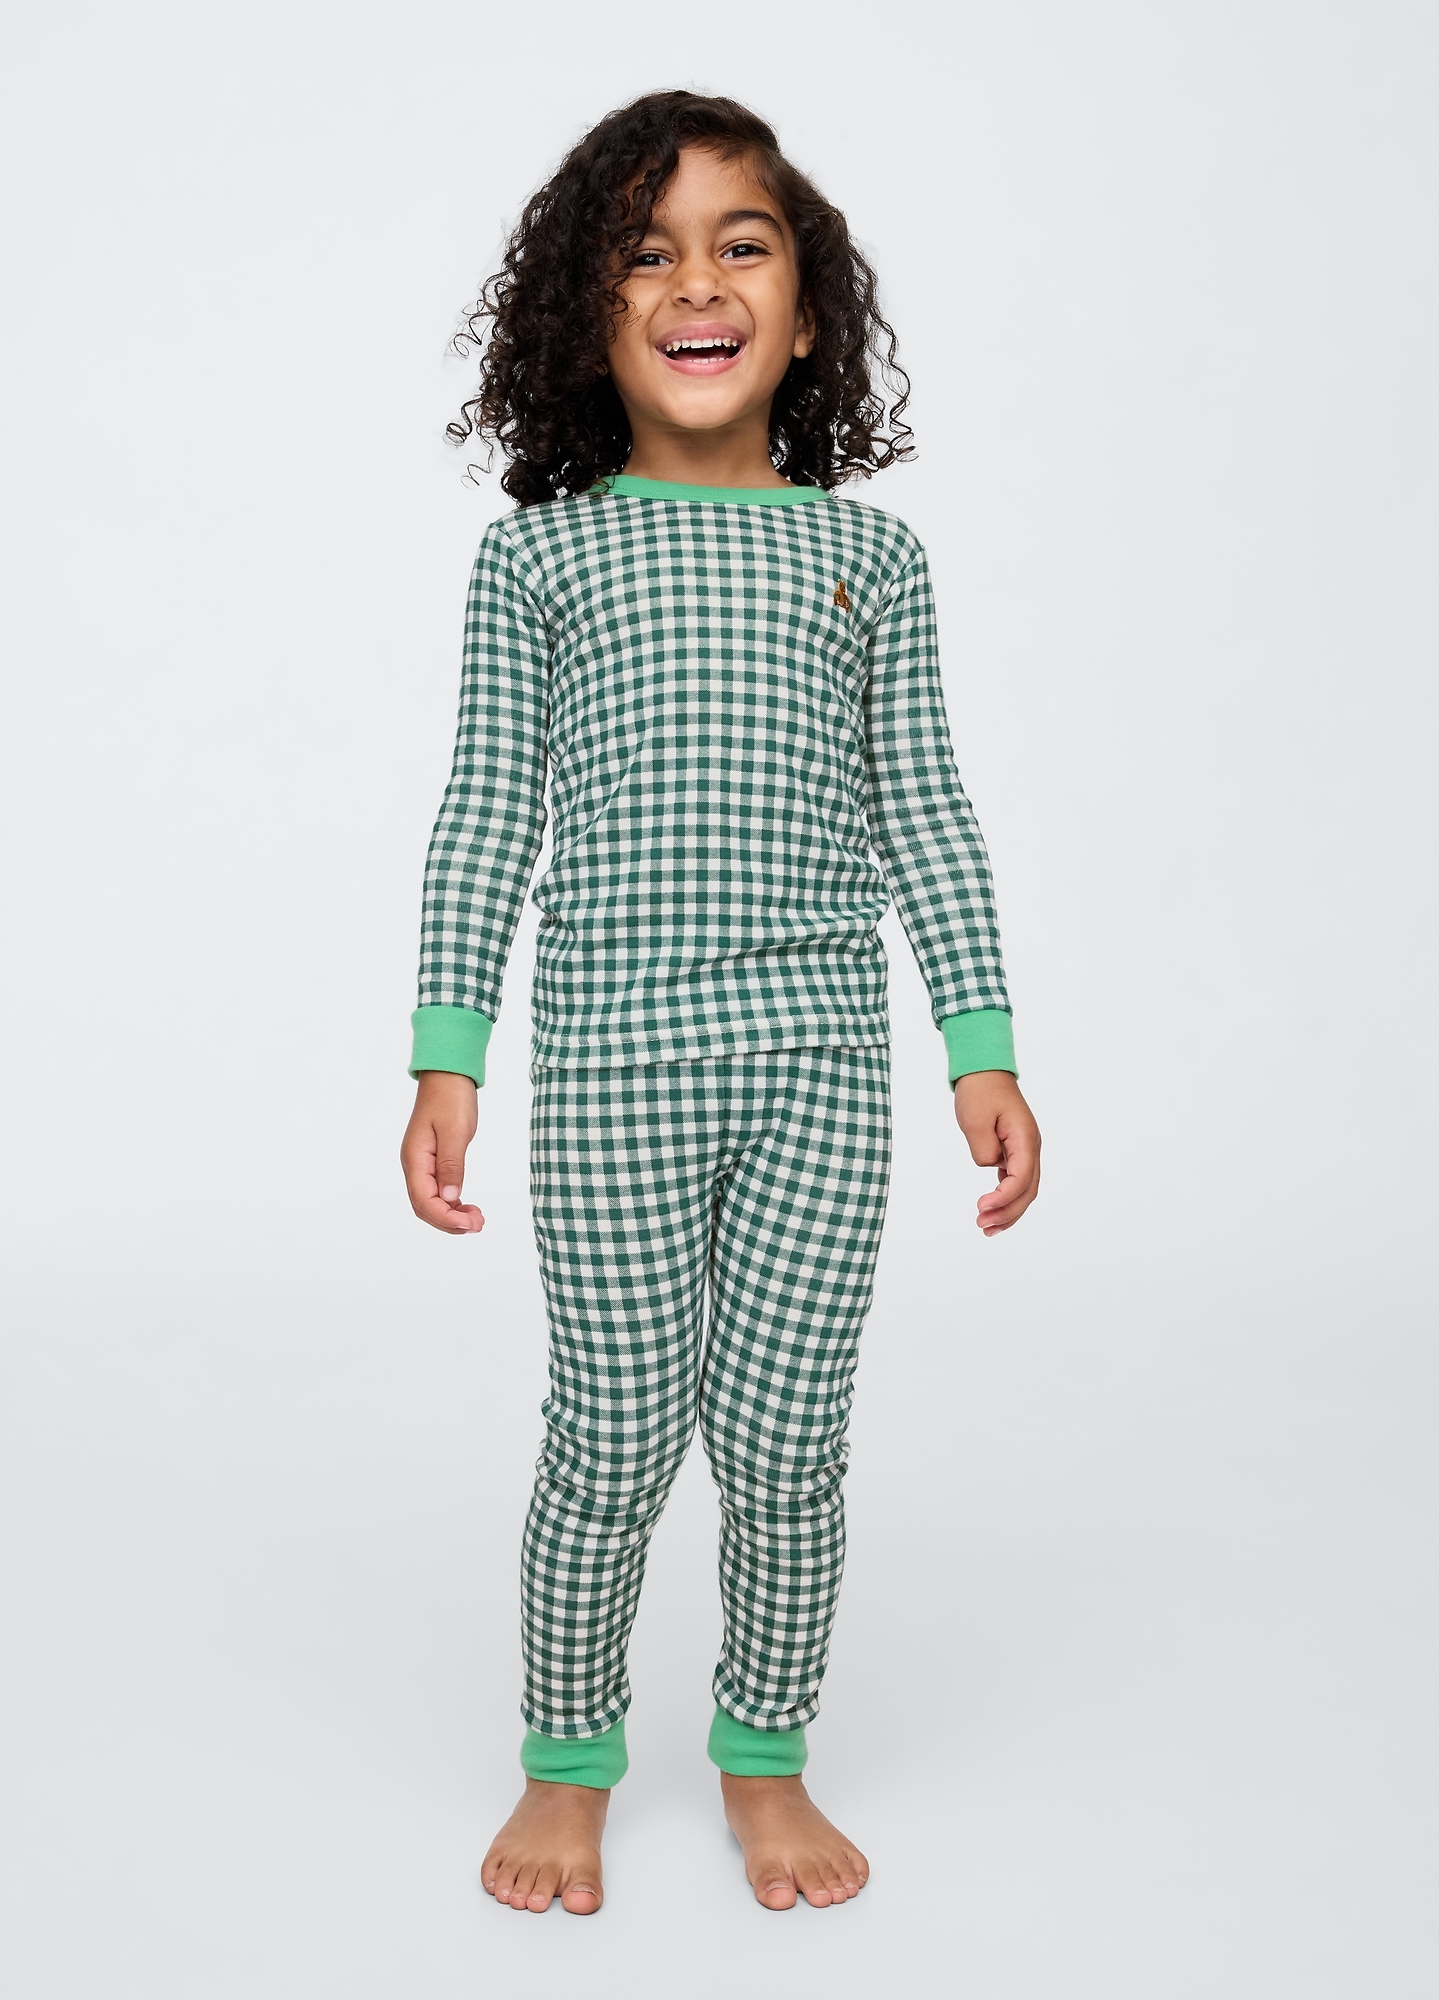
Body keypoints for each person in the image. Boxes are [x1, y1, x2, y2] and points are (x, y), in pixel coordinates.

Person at [400, 89, 1041, 1916]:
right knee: (610, 1439)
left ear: (807, 312)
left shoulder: (871, 559)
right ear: (585, 319)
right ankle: (568, 1761)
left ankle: (766, 1753)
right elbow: (485, 810)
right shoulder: (541, 558)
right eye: (645, 253)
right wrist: (449, 1056)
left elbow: (927, 805)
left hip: (820, 1073)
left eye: (740, 245)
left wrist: (980, 1046)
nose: (697, 281)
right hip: (611, 1069)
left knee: (785, 1446)